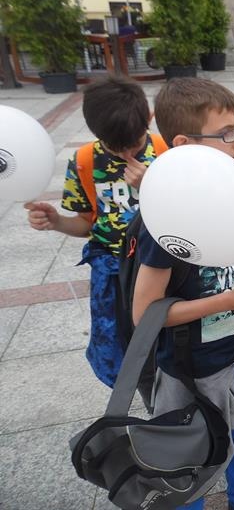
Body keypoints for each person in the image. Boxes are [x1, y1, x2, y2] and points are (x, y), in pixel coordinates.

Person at [131, 78, 234, 510]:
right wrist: (226, 302)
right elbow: (145, 314)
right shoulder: (164, 219)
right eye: (228, 133)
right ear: (185, 143)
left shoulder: (225, 193)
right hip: (191, 370)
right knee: (191, 453)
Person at [25, 76, 163, 388]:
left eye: (134, 144)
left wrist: (152, 184)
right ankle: (139, 388)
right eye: (115, 147)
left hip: (157, 265)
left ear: (149, 118)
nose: (126, 153)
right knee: (121, 342)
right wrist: (57, 221)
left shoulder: (165, 152)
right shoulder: (85, 161)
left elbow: (184, 212)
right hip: (112, 271)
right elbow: (86, 223)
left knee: (161, 335)